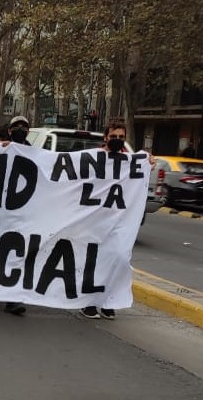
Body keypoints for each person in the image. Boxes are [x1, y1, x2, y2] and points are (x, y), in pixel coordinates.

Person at [80, 121, 131, 321]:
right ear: (105, 137)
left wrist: (148, 161)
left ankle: (108, 302)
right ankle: (89, 303)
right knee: (93, 262)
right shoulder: (94, 158)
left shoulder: (129, 161)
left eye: (121, 137)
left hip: (118, 220)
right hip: (95, 220)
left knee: (117, 259)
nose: (118, 140)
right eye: (114, 136)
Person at [2, 115, 30, 316]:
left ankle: (14, 298)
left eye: (24, 127)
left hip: (24, 214)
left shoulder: (37, 153)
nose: (20, 129)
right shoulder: (1, 149)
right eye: (16, 127)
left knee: (17, 255)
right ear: (9, 131)